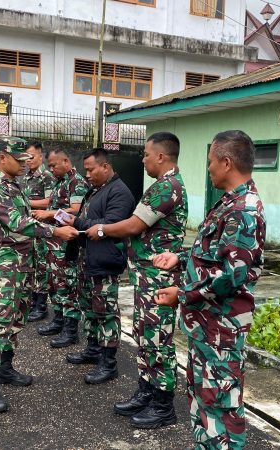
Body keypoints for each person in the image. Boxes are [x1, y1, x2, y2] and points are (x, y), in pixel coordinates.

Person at [153, 130, 266, 449]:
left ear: (226, 162)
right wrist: (180, 258)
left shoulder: (243, 210)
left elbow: (232, 274)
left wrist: (182, 294)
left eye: (210, 162)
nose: (208, 168)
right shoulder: (230, 204)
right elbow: (215, 255)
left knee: (220, 412)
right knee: (205, 405)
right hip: (207, 327)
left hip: (220, 330)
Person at [86, 132, 187, 428]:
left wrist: (102, 229)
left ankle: (163, 405)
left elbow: (133, 225)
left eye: (145, 154)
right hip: (147, 276)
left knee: (157, 339)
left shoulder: (168, 187)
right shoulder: (161, 185)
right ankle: (146, 391)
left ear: (161, 156)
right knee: (144, 335)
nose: (142, 160)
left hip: (159, 278)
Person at [0, 137, 78, 413]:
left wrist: (50, 218)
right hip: (5, 265)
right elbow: (17, 222)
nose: (25, 164)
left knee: (16, 318)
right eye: (19, 159)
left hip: (23, 263)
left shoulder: (14, 185)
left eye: (26, 159)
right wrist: (55, 231)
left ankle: (5, 368)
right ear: (2, 158)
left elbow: (27, 216)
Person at [62, 148, 135, 384]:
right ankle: (93, 350)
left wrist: (77, 221)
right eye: (85, 170)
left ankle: (108, 363)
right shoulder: (96, 189)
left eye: (91, 169)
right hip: (88, 259)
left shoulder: (120, 192)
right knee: (90, 309)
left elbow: (111, 224)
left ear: (105, 166)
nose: (87, 175)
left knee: (106, 313)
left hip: (105, 261)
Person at [32, 149, 89, 348]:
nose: (51, 169)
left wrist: (49, 214)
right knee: (54, 284)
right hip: (53, 244)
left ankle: (71, 331)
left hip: (66, 245)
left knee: (67, 286)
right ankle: (58, 321)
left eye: (53, 165)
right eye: (49, 166)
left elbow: (76, 210)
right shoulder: (59, 182)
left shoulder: (76, 182)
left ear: (66, 161)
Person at [18, 141, 56, 322]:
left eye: (31, 157)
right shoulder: (26, 177)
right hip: (29, 229)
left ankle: (41, 307)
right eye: (26, 157)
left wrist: (26, 203)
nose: (28, 160)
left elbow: (50, 201)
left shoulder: (46, 177)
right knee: (30, 267)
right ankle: (33, 304)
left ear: (41, 156)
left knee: (41, 268)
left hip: (41, 229)